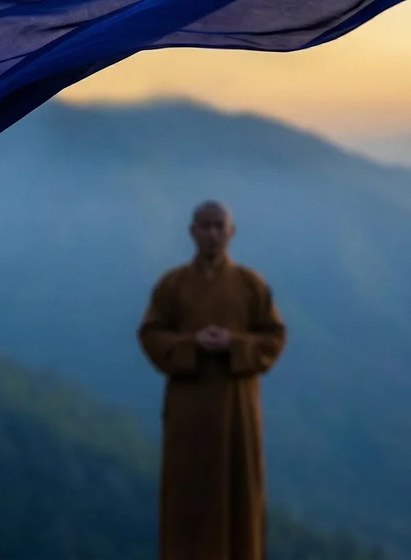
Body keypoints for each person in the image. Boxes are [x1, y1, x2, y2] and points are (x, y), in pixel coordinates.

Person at [138, 200, 287, 560]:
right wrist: (192, 345)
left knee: (240, 491)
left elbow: (274, 337)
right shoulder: (171, 285)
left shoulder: (251, 285)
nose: (212, 234)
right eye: (204, 226)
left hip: (238, 405)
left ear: (232, 232)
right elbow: (151, 334)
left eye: (220, 226)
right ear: (192, 232)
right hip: (189, 407)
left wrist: (235, 345)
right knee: (188, 489)